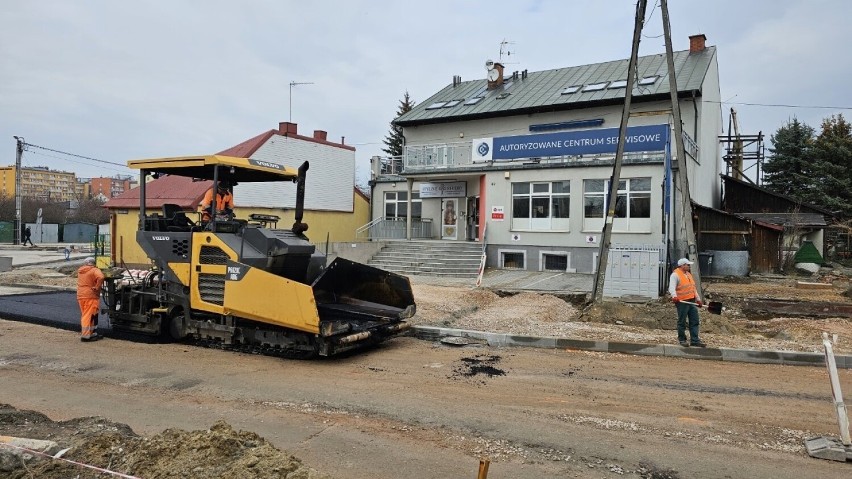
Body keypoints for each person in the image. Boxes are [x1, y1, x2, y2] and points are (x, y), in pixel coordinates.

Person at [668, 258, 706, 348]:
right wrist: (674, 296)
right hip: (682, 302)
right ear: (682, 265)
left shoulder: (688, 274)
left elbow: (693, 288)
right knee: (682, 321)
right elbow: (671, 287)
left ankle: (695, 340)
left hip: (691, 300)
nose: (689, 266)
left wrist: (698, 299)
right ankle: (682, 339)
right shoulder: (675, 275)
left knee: (694, 320)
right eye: (687, 265)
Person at [77, 257, 104, 342]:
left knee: (89, 314)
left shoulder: (80, 270)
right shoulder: (94, 270)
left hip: (81, 295)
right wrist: (97, 287)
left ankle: (91, 333)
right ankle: (85, 335)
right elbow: (101, 277)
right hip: (90, 295)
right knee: (88, 315)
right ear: (94, 263)